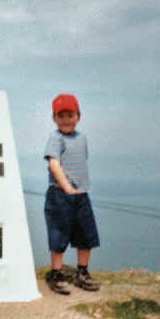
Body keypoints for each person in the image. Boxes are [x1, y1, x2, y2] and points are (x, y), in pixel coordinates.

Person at [43, 93, 100, 295]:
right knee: (58, 233)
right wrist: (66, 186)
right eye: (61, 116)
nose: (66, 120)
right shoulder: (55, 138)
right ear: (54, 118)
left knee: (86, 233)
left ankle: (82, 272)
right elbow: (53, 164)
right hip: (60, 194)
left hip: (81, 194)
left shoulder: (82, 138)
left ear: (78, 116)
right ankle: (56, 273)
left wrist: (78, 189)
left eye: (70, 115)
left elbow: (81, 160)